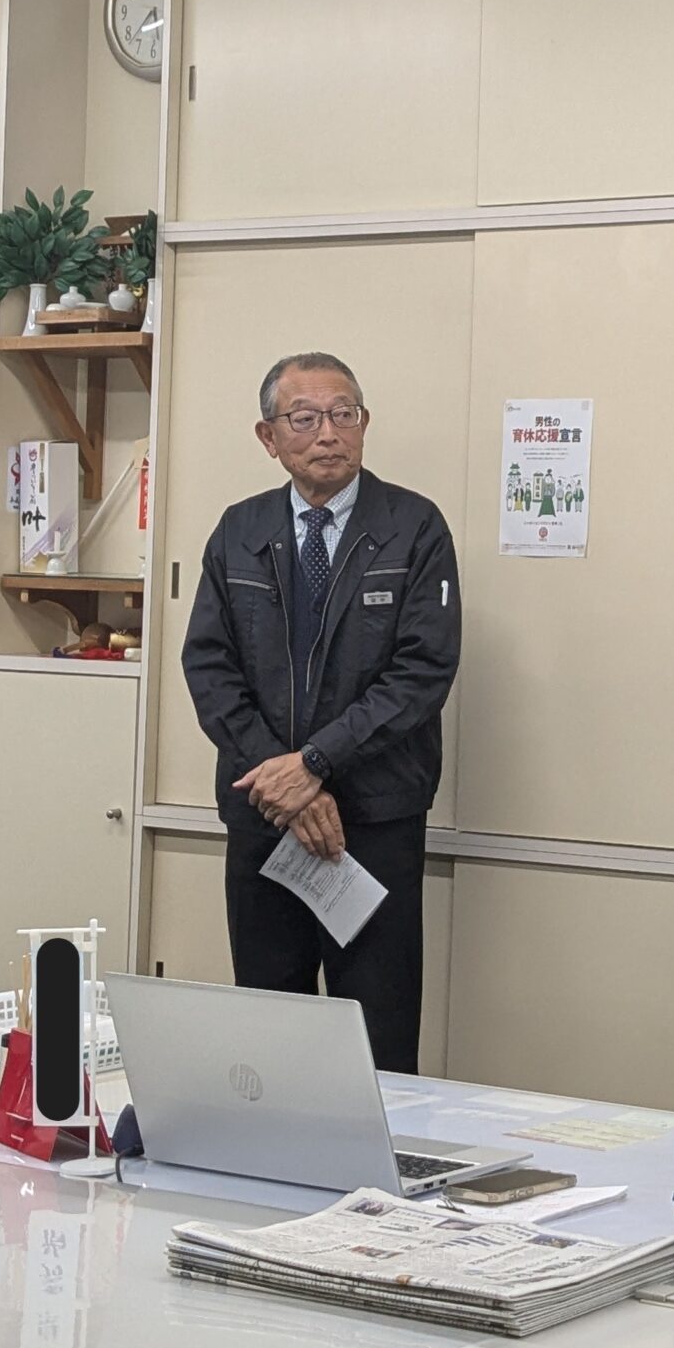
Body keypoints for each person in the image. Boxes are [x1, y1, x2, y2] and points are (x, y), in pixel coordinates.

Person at [180, 352, 460, 1072]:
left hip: (374, 822)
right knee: (271, 1036)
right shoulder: (239, 531)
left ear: (365, 424)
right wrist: (287, 785)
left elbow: (421, 673)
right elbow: (210, 668)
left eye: (343, 414)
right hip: (264, 820)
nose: (327, 433)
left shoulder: (414, 527)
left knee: (377, 1035)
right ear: (269, 437)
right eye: (304, 418)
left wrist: (315, 764)